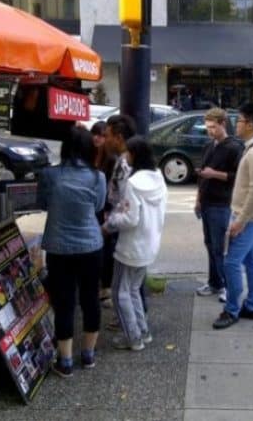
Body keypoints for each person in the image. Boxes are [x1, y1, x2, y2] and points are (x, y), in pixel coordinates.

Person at [37, 126, 106, 377]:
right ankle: (88, 356)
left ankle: (65, 362)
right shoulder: (98, 177)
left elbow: (42, 203)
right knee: (90, 300)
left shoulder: (49, 174)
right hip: (91, 246)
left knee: (64, 303)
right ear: (89, 148)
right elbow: (98, 206)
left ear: (65, 147)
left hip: (58, 248)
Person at [102, 136, 168, 350]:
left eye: (128, 153)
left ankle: (133, 337)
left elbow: (130, 219)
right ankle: (142, 331)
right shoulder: (158, 177)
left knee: (119, 291)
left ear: (135, 155)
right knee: (133, 289)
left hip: (130, 248)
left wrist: (110, 222)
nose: (125, 157)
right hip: (149, 245)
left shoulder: (133, 183)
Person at [212, 102, 253, 330]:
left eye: (238, 120)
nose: (235, 124)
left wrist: (240, 221)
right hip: (251, 217)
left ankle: (231, 310)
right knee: (252, 261)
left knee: (231, 263)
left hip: (248, 218)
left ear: (250, 124)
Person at [194, 108, 243, 303]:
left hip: (222, 203)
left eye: (213, 127)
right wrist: (198, 200)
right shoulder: (209, 145)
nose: (210, 131)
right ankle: (215, 282)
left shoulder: (234, 147)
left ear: (223, 124)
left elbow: (237, 177)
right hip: (207, 202)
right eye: (207, 127)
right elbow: (202, 175)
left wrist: (213, 174)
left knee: (220, 248)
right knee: (210, 245)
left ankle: (225, 286)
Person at [91, 121, 116, 308]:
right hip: (93, 207)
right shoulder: (90, 155)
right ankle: (99, 284)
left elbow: (112, 188)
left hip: (106, 209)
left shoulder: (112, 159)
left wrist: (108, 209)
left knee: (106, 247)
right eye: (95, 134)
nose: (97, 138)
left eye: (102, 135)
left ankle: (106, 286)